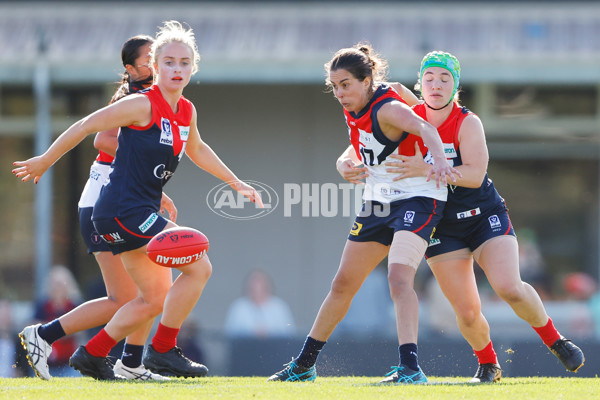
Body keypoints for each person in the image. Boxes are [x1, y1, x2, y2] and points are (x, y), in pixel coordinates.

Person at [13, 20, 263, 380]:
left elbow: (198, 149)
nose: (177, 69)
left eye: (184, 63)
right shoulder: (141, 104)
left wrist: (235, 181)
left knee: (154, 299)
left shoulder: (186, 111)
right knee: (199, 265)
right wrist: (44, 160)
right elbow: (87, 126)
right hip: (121, 211)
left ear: (193, 68)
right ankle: (162, 351)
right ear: (155, 66)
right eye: (169, 62)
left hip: (133, 211)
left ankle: (96, 355)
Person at [385, 51, 585, 382]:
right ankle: (489, 363)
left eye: (445, 79)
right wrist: (348, 161)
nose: (436, 85)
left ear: (456, 86)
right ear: (420, 84)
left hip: (483, 215)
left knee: (509, 288)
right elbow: (375, 115)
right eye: (429, 78)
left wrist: (426, 168)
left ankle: (556, 340)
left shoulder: (467, 121)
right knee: (466, 312)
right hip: (441, 225)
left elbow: (474, 175)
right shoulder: (409, 118)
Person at [268, 43, 459, 383]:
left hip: (418, 198)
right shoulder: (355, 105)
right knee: (342, 284)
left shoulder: (387, 108)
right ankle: (303, 366)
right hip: (379, 202)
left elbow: (428, 130)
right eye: (335, 86)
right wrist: (342, 162)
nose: (339, 93)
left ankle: (411, 369)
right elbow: (362, 142)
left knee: (398, 278)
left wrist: (440, 162)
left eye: (345, 85)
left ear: (367, 80)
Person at [18, 35, 172, 381]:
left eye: (157, 56)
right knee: (142, 296)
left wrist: (152, 189)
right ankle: (60, 340)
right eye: (149, 59)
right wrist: (46, 160)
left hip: (118, 200)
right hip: (107, 202)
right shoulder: (135, 98)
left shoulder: (159, 99)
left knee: (135, 297)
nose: (157, 63)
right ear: (130, 69)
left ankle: (127, 362)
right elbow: (101, 138)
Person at [224, 269, 295, 338]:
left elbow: (289, 334)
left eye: (260, 283)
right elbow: (229, 335)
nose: (257, 287)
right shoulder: (238, 307)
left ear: (268, 286)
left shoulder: (279, 307)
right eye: (254, 283)